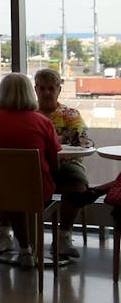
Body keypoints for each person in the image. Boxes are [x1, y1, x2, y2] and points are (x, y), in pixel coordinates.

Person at [0, 72, 59, 268]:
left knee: (8, 189)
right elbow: (53, 160)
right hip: (33, 190)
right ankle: (27, 249)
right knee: (18, 189)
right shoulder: (43, 122)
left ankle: (15, 239)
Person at [33, 68, 100, 259]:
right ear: (35, 89)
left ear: (59, 90)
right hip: (37, 166)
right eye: (42, 88)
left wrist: (48, 141)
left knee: (78, 186)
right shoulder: (30, 113)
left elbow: (81, 139)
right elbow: (71, 138)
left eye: (51, 88)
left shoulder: (70, 113)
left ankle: (64, 237)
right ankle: (21, 238)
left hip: (67, 165)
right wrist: (62, 138)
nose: (46, 93)